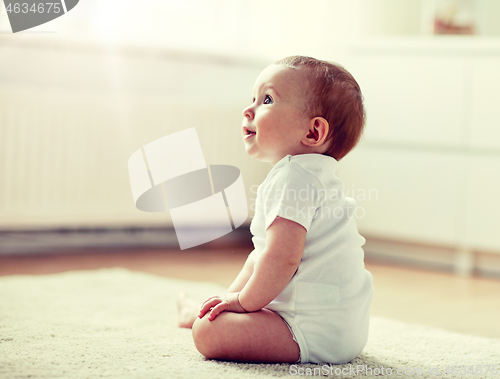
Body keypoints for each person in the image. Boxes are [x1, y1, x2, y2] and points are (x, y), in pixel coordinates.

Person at [177, 55, 373, 364]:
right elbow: (266, 257)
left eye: (267, 99)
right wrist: (233, 301)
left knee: (207, 333)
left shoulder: (295, 177)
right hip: (342, 328)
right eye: (252, 98)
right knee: (243, 279)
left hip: (309, 329)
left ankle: (209, 315)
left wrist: (243, 303)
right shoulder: (312, 175)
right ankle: (213, 308)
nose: (249, 108)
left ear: (312, 133)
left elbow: (282, 259)